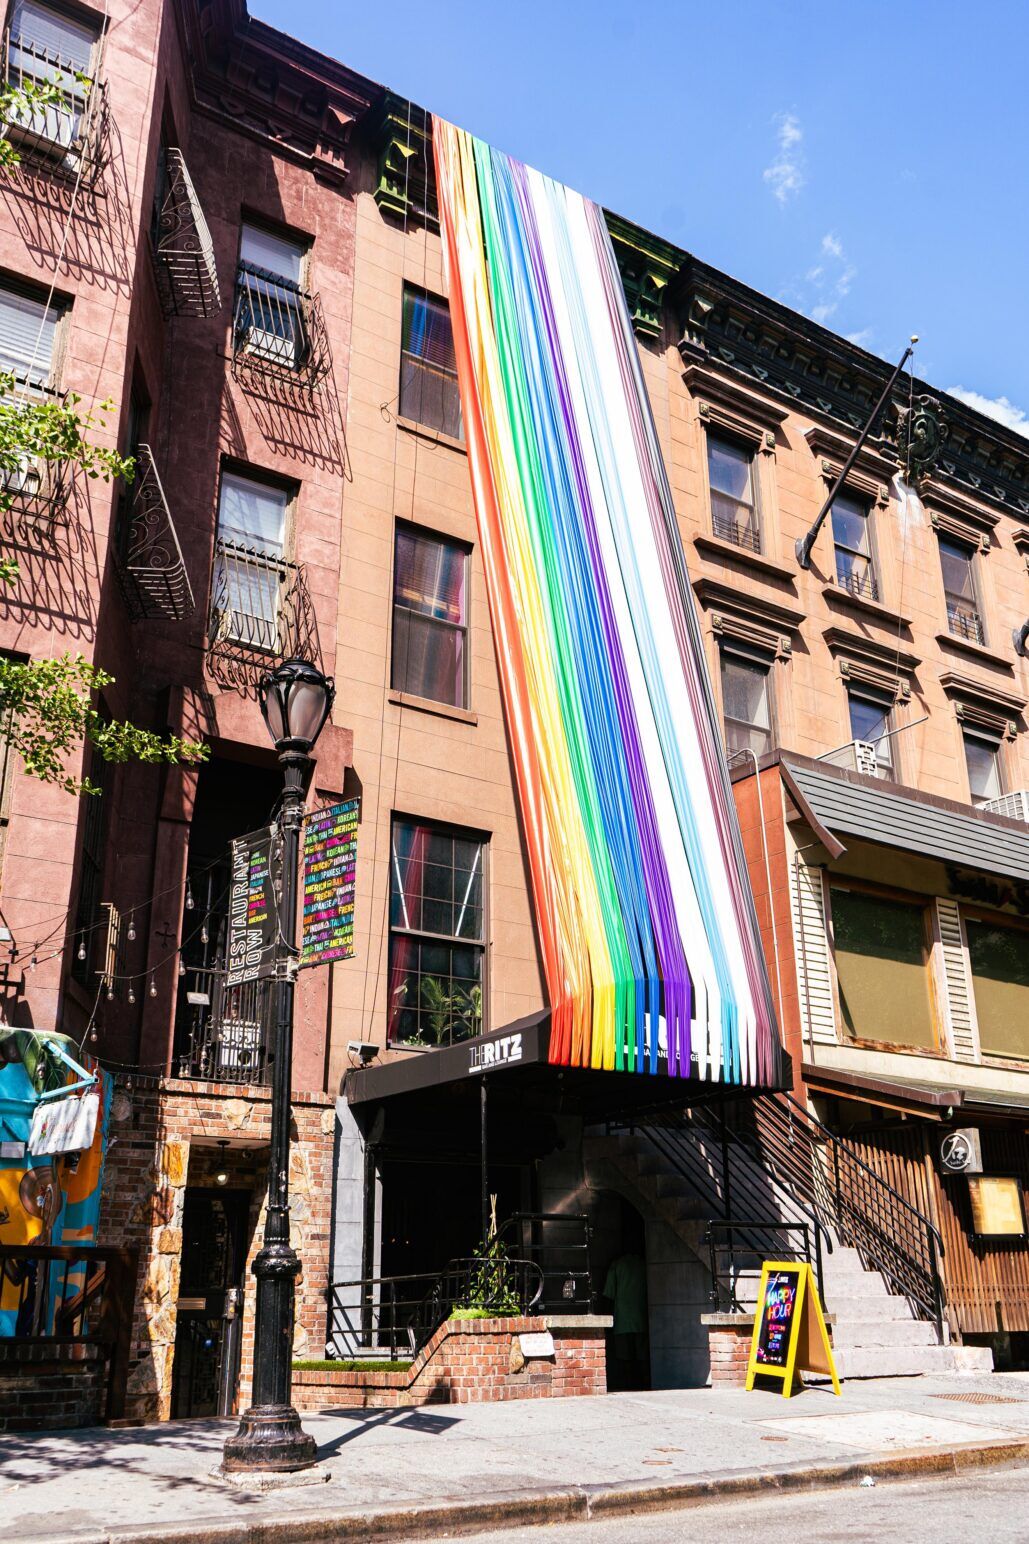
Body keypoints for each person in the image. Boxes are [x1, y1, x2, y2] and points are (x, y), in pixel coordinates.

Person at [602, 1251, 649, 1390]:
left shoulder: (617, 1265)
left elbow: (609, 1293)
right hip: (641, 1318)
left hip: (622, 1319)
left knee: (624, 1358)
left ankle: (628, 1386)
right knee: (642, 1357)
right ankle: (644, 1384)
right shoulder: (644, 1264)